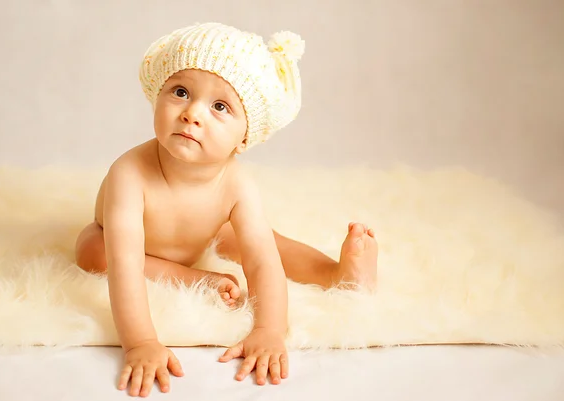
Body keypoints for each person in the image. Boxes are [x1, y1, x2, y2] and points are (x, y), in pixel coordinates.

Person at [74, 22, 378, 397]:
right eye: (181, 92)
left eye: (220, 106)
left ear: (244, 136)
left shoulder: (236, 185)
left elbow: (263, 263)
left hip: (205, 234)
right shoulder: (129, 173)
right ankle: (193, 278)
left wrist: (269, 330)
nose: (192, 114)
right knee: (92, 250)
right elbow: (125, 266)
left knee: (264, 241)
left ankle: (335, 274)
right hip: (128, 243)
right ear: (158, 95)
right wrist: (140, 343)